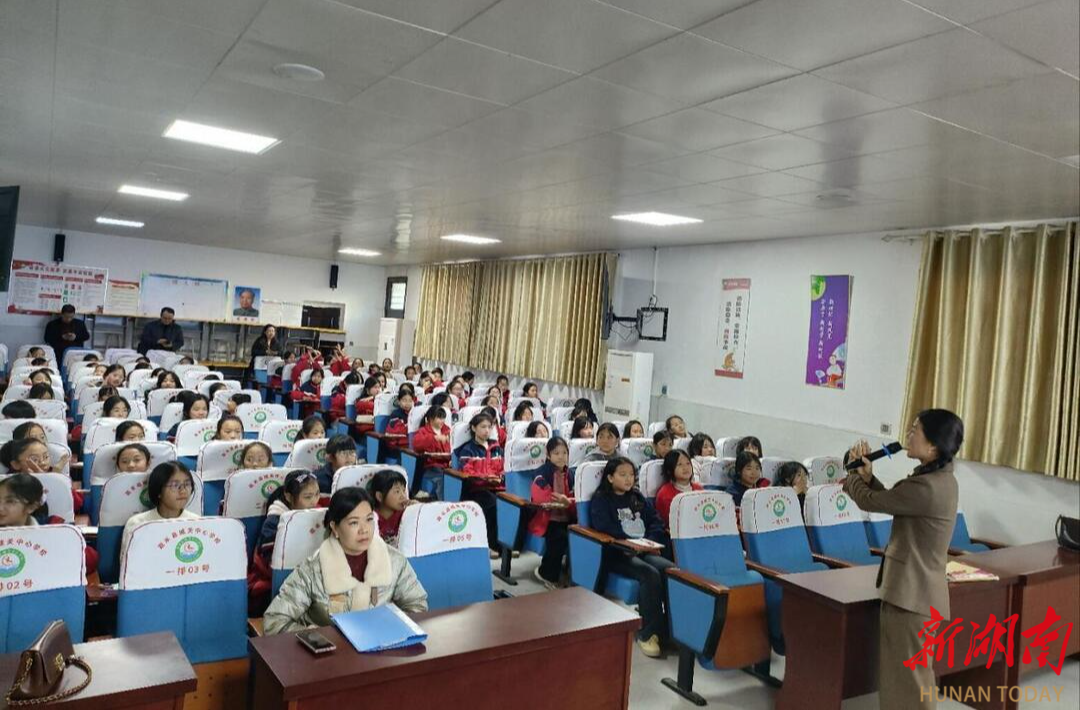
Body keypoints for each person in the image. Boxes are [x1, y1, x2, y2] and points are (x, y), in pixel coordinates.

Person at [843, 410, 962, 710]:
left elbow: (871, 501)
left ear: (933, 446)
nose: (908, 434)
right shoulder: (941, 480)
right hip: (921, 593)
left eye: (915, 430)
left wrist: (852, 476)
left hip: (911, 595)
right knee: (910, 678)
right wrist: (868, 478)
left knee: (907, 681)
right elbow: (896, 501)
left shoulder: (926, 487)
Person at [263, 487, 428, 634]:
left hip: (381, 648)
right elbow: (275, 621)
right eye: (354, 522)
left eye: (369, 519)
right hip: (331, 652)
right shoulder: (313, 569)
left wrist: (390, 632)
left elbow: (417, 605)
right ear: (335, 528)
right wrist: (317, 638)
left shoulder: (394, 560)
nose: (364, 530)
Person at [589, 457, 673, 658]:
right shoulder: (601, 499)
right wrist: (628, 542)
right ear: (610, 477)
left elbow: (655, 521)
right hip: (618, 553)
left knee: (672, 571)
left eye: (631, 475)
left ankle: (669, 629)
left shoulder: (636, 497)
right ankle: (647, 634)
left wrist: (649, 541)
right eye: (623, 475)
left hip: (643, 549)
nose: (628, 479)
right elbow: (603, 527)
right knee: (650, 574)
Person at [248, 469, 321, 614]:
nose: (314, 502)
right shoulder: (273, 522)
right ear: (288, 496)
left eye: (317, 494)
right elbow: (271, 565)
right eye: (307, 497)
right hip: (271, 584)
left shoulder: (318, 513)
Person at [0, 473, 99, 574]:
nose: (1, 508)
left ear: (31, 507)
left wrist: (59, 549)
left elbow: (90, 560)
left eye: (10, 501)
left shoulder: (53, 528)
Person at [121, 462, 200, 554]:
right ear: (158, 491)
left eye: (187, 484)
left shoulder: (197, 522)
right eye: (175, 485)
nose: (183, 491)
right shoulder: (138, 523)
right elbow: (129, 560)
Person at [453, 413, 504, 555]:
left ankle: (504, 543)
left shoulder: (496, 448)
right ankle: (490, 544)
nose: (487, 430)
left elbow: (503, 468)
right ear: (474, 428)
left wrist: (499, 477)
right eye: (483, 427)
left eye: (489, 427)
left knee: (510, 505)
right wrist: (486, 478)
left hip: (496, 487)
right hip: (475, 489)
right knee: (493, 504)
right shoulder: (468, 449)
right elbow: (467, 472)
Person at [529, 438, 574, 589]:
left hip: (567, 516)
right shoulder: (541, 474)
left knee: (582, 536)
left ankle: (570, 574)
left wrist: (568, 503)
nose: (561, 457)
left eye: (564, 453)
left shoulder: (570, 474)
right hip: (547, 518)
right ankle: (546, 573)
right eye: (556, 453)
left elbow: (574, 496)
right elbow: (540, 499)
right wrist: (562, 502)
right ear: (548, 455)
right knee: (560, 537)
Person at [654, 450, 703, 531]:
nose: (685, 468)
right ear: (670, 470)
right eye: (680, 464)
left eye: (688, 463)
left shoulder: (699, 489)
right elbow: (669, 523)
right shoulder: (665, 494)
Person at [368, 468, 417, 548]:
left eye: (404, 490)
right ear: (380, 496)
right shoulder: (370, 517)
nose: (403, 496)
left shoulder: (406, 514)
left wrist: (417, 510)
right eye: (397, 491)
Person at [410, 406, 452, 498]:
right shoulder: (423, 431)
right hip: (431, 466)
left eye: (443, 418)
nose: (442, 421)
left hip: (447, 464)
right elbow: (416, 444)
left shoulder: (448, 431)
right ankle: (442, 501)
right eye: (439, 418)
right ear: (430, 419)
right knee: (442, 477)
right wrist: (434, 438)